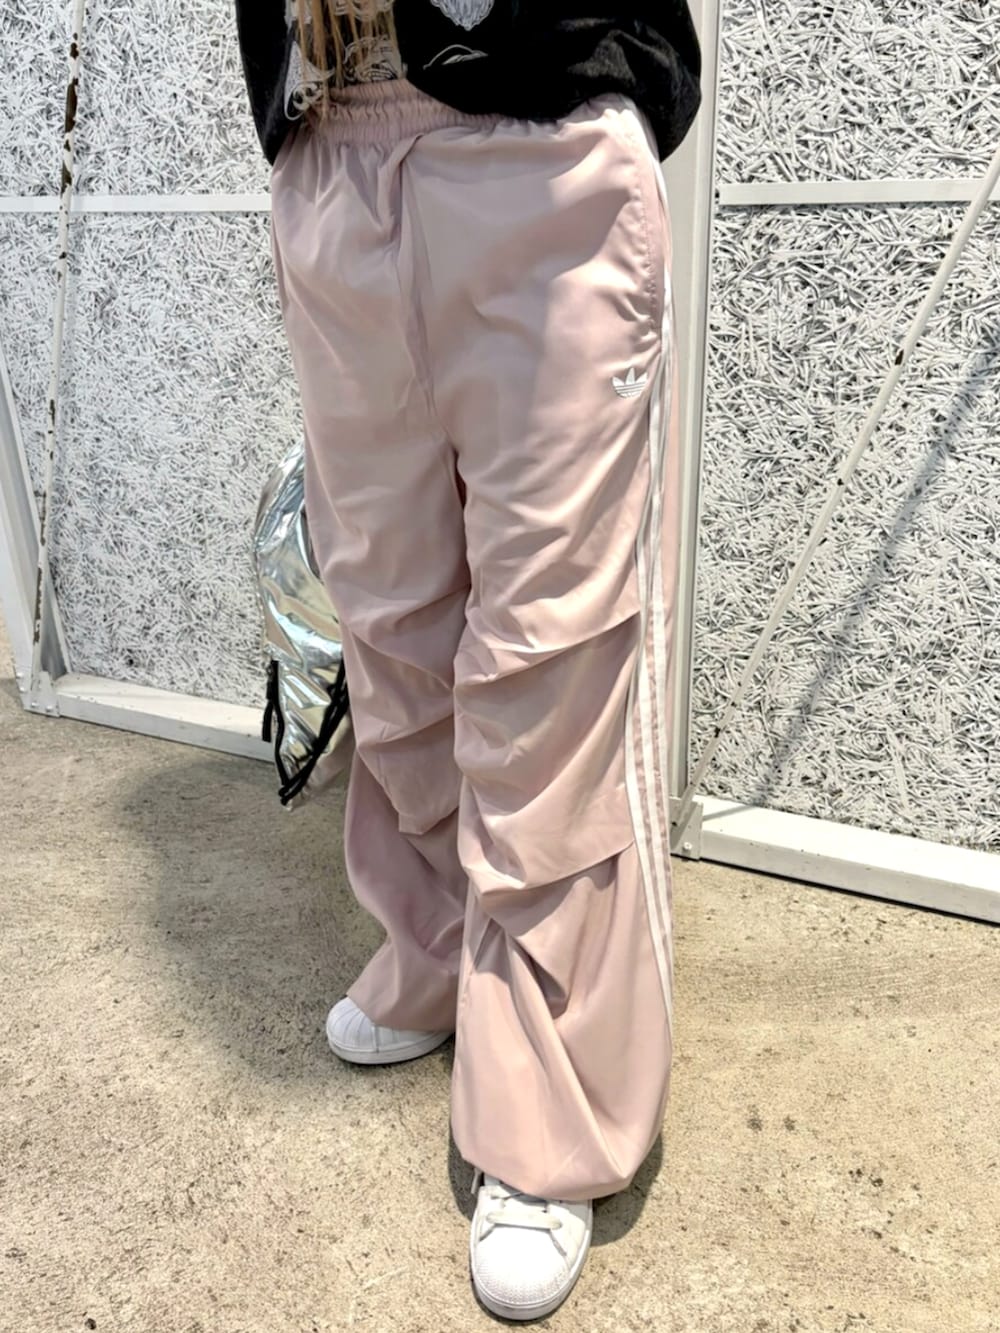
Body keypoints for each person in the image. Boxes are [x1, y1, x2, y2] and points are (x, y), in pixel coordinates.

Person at [235, 1, 701, 1320]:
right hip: (332, 129)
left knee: (547, 656)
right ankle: (439, 949)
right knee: (391, 621)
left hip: (536, 129)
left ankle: (552, 1094)